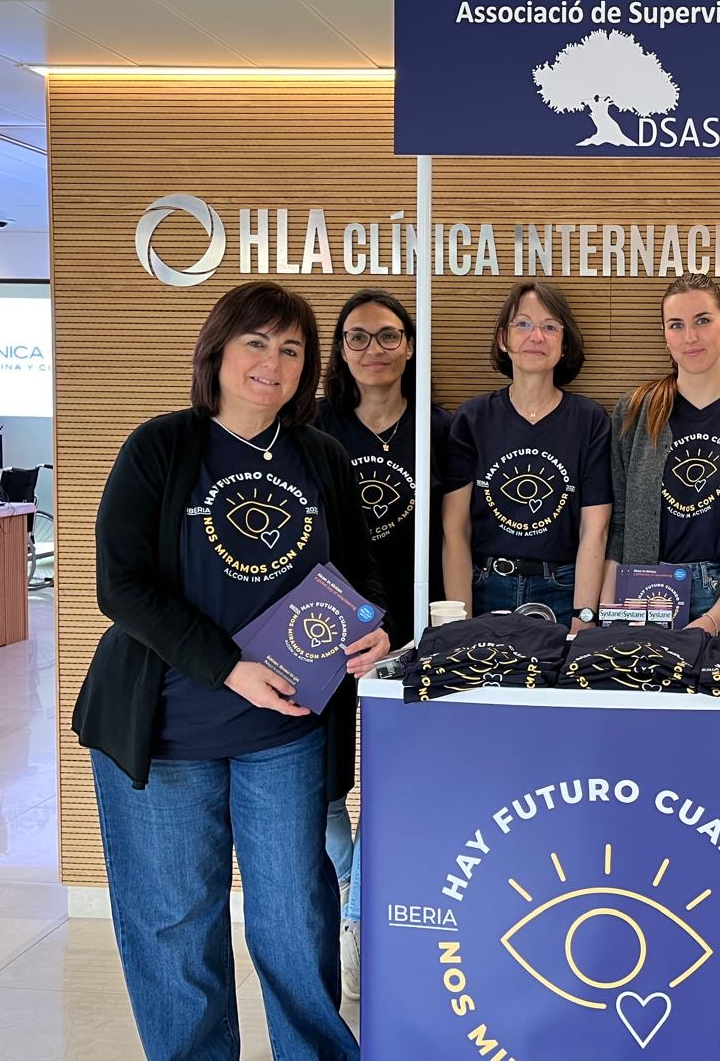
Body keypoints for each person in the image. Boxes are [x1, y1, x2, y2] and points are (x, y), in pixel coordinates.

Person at [73, 280, 390, 1061]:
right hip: (166, 728)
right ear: (216, 353)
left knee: (296, 918)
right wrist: (230, 668)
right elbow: (122, 585)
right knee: (177, 925)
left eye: (291, 349)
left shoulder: (321, 457)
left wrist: (375, 629)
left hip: (284, 730)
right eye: (256, 343)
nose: (273, 363)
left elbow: (359, 574)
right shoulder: (162, 446)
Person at [315, 288, 459, 1000]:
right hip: (323, 632)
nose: (374, 348)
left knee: (395, 778)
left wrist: (445, 626)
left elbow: (456, 534)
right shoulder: (311, 426)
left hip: (411, 631)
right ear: (340, 351)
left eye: (388, 335)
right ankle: (352, 879)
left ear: (410, 345)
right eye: (357, 337)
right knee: (317, 786)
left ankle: (359, 919)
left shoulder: (442, 428)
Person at [603, 273, 720, 631]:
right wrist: (606, 615)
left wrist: (713, 619)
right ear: (665, 335)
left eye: (703, 321)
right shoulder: (635, 412)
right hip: (644, 597)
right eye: (676, 325)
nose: (690, 337)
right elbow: (619, 524)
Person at [442, 281, 611, 627]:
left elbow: (596, 528)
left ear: (564, 345)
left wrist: (584, 617)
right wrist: (460, 621)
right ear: (503, 339)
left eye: (550, 327)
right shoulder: (472, 419)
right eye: (523, 324)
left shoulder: (590, 421)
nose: (536, 336)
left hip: (564, 591)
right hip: (485, 589)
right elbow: (454, 529)